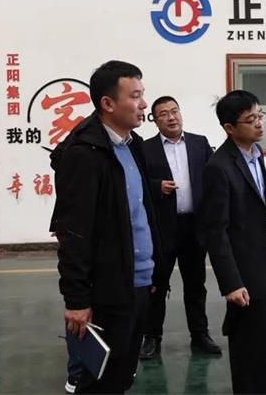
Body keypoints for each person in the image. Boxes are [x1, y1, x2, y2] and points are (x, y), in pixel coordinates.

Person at [52, 60, 165, 393]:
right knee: (100, 383)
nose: (144, 104)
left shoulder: (133, 145)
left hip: (139, 283)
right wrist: (76, 299)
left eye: (142, 94)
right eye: (135, 96)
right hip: (107, 289)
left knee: (122, 376)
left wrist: (152, 273)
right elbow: (73, 232)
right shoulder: (85, 154)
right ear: (108, 103)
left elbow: (141, 213)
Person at [199, 90, 266, 394]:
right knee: (250, 349)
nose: (259, 123)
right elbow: (215, 231)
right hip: (244, 272)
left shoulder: (255, 154)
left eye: (260, 115)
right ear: (229, 128)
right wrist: (231, 283)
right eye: (251, 119)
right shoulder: (219, 167)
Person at [139, 96, 221, 359]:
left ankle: (200, 335)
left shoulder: (199, 143)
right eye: (163, 114)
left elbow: (213, 179)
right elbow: (137, 183)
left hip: (194, 226)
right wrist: (157, 187)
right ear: (155, 120)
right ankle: (152, 337)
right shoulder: (145, 148)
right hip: (162, 228)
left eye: (174, 111)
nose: (171, 117)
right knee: (157, 284)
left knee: (196, 284)